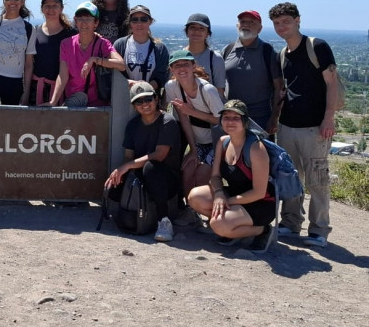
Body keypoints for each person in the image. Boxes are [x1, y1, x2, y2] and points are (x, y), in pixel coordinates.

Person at [270, 2, 337, 248]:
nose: (281, 27)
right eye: (277, 23)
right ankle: (291, 222)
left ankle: (319, 230)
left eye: (286, 21)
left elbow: (331, 84)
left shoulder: (316, 46)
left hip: (314, 126)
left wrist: (328, 117)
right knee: (290, 177)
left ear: (298, 20)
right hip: (288, 125)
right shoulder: (282, 54)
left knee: (317, 179)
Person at [187, 99, 275, 251]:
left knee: (217, 225)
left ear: (245, 122)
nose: (230, 122)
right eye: (226, 117)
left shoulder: (255, 148)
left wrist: (228, 201)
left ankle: (262, 230)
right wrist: (220, 194)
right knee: (195, 197)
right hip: (236, 194)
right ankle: (233, 228)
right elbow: (215, 176)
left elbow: (259, 192)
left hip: (261, 203)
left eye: (236, 118)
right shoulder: (223, 141)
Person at [104, 82, 181, 243]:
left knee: (151, 168)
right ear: (134, 106)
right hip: (142, 172)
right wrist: (120, 171)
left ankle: (164, 221)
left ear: (156, 98)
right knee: (115, 179)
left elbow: (159, 156)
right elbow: (128, 156)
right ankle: (124, 215)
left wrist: (128, 166)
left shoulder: (168, 121)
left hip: (166, 179)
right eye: (139, 101)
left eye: (148, 99)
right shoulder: (132, 125)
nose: (145, 104)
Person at [164, 50, 224, 195]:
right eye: (177, 65)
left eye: (185, 64)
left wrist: (193, 112)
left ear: (193, 66)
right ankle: (191, 210)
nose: (182, 68)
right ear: (171, 69)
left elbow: (222, 120)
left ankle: (206, 210)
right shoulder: (171, 87)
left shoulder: (207, 90)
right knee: (187, 171)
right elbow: (184, 119)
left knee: (201, 176)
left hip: (217, 143)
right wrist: (193, 150)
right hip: (198, 142)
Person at [43, 2, 124, 108]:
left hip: (97, 106)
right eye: (80, 19)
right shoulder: (66, 44)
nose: (84, 23)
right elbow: (63, 75)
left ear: (96, 23)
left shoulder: (103, 44)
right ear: (75, 21)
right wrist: (53, 102)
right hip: (73, 103)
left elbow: (121, 65)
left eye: (88, 19)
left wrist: (95, 60)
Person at [222, 10, 284, 138]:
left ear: (260, 28)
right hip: (232, 118)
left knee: (260, 156)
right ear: (237, 26)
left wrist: (274, 117)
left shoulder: (267, 52)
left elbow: (279, 87)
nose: (246, 24)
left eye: (252, 22)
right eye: (243, 21)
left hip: (260, 119)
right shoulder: (227, 50)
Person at [26, 0, 77, 105]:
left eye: (55, 6)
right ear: (42, 9)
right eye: (47, 6)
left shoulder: (71, 34)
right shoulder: (35, 31)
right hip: (36, 89)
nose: (51, 9)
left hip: (61, 90)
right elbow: (29, 64)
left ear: (61, 8)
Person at [113, 5, 170, 91]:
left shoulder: (160, 49)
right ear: (130, 23)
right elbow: (114, 73)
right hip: (124, 97)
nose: (139, 24)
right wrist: (129, 84)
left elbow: (161, 76)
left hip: (149, 100)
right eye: (135, 20)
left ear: (150, 22)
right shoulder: (120, 45)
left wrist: (144, 90)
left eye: (143, 19)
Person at [182, 13, 225, 98]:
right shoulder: (177, 57)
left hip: (207, 110)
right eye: (192, 28)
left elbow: (219, 92)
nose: (196, 31)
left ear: (207, 34)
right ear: (187, 32)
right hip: (180, 108)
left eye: (201, 28)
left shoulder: (215, 59)